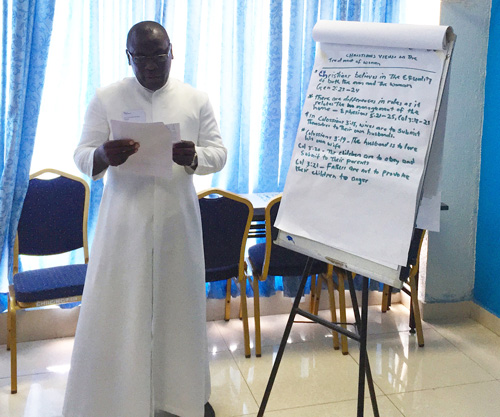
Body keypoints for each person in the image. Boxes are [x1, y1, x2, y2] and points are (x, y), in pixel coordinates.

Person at [63, 21, 227, 417]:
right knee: (122, 308)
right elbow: (82, 154)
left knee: (179, 310)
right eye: (142, 57)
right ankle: (118, 398)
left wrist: (194, 157)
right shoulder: (108, 97)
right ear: (128, 57)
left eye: (159, 55)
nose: (152, 65)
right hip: (125, 222)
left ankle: (178, 398)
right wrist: (103, 156)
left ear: (172, 52)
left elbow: (218, 153)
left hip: (177, 220)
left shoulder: (194, 98)